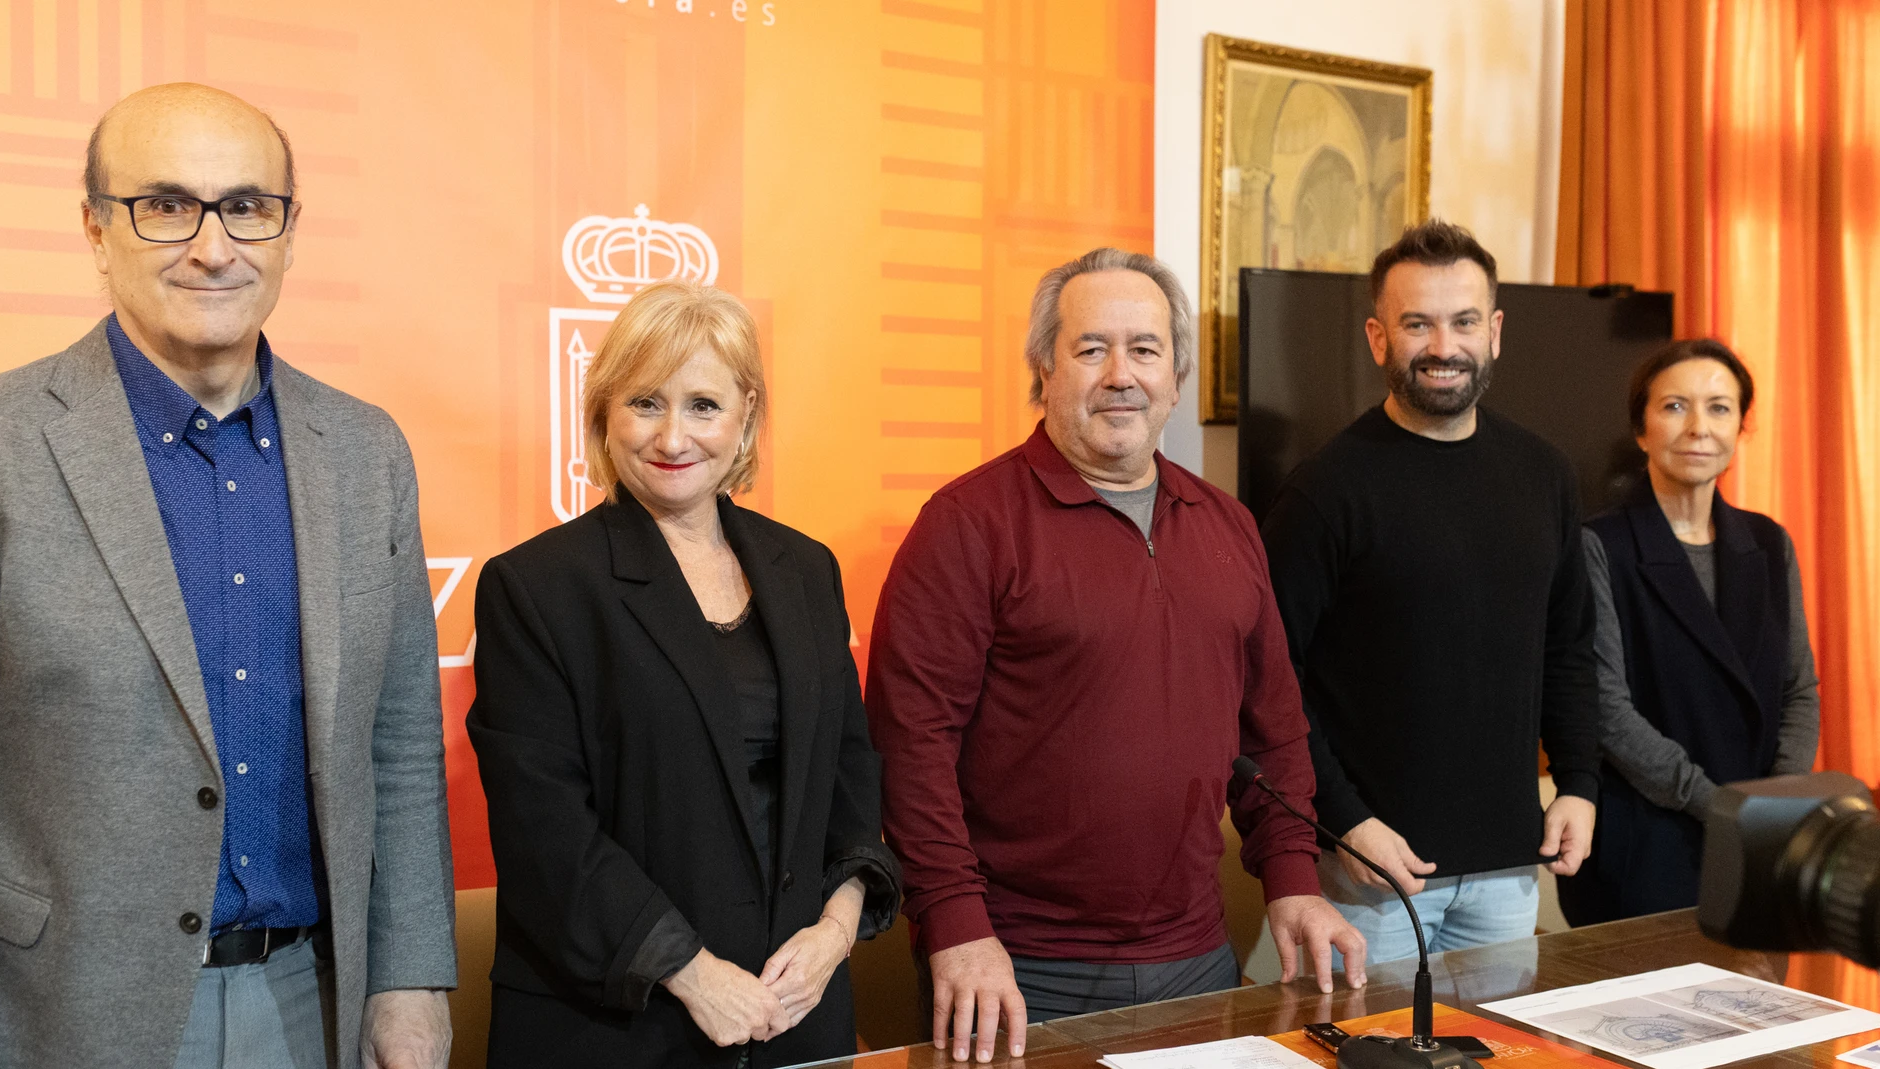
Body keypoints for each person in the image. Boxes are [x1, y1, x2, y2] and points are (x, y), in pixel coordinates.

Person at [0, 84, 456, 1069]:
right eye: (165, 205)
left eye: (246, 206)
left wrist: (409, 979)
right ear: (95, 228)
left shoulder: (366, 453)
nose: (212, 245)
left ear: (287, 231)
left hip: (312, 999)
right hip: (57, 1010)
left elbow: (401, 743)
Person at [866, 247, 1366, 1065]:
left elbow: (1274, 730)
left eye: (1145, 348)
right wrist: (955, 926)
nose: (1120, 374)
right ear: (1044, 371)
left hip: (1200, 956)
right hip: (1017, 967)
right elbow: (909, 746)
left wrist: (1293, 882)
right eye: (1090, 348)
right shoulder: (965, 525)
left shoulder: (1229, 525)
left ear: (1176, 377)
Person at [466, 280, 899, 1068]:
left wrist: (836, 934)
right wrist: (692, 974)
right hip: (616, 1025)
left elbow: (849, 774)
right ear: (603, 413)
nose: (673, 435)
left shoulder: (805, 569)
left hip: (796, 1011)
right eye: (645, 402)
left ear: (746, 419)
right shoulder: (537, 586)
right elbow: (545, 829)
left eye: (703, 404)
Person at [1259, 219, 1600, 964]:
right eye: (1418, 323)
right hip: (1370, 878)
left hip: (1511, 868)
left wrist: (1578, 782)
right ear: (1379, 338)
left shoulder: (1545, 474)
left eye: (1463, 321)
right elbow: (1269, 679)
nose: (1443, 346)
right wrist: (1344, 819)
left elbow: (1570, 646)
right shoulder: (1325, 490)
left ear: (1496, 331)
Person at [1556, 340, 1819, 924]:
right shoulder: (1600, 545)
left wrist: (1776, 804)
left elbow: (1799, 689)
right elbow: (1608, 711)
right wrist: (1723, 805)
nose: (1699, 427)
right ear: (1641, 429)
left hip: (1757, 844)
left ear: (1741, 427)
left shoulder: (1769, 543)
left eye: (1720, 408)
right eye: (1675, 406)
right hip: (1645, 845)